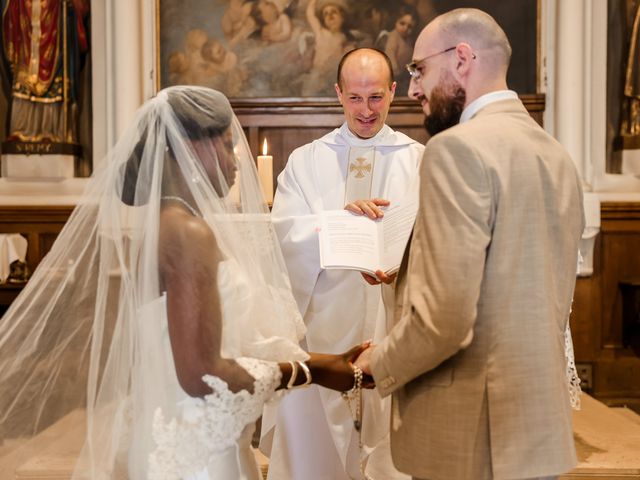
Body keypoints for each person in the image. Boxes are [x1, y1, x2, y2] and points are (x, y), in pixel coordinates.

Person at [0, 86, 365, 480]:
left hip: (185, 434)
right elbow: (201, 374)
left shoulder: (166, 224)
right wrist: (315, 371)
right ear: (190, 148)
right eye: (227, 146)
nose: (235, 160)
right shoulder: (188, 234)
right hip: (198, 454)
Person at [355, 8, 585, 480]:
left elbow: (445, 319)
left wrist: (378, 363)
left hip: (470, 435)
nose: (415, 88)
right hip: (535, 432)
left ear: (462, 58)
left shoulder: (456, 150)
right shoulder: (554, 152)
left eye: (419, 70)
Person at [261, 48, 423, 480]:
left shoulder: (420, 159)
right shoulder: (306, 161)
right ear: (338, 94)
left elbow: (434, 240)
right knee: (320, 449)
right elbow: (283, 236)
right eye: (354, 98)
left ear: (393, 93)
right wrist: (337, 224)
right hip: (325, 323)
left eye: (375, 97)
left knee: (389, 438)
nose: (366, 110)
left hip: (393, 319)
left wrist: (399, 260)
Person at [2, 0, 89, 143]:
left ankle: (53, 131)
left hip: (54, 19)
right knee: (25, 74)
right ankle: (23, 129)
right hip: (25, 17)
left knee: (56, 71)